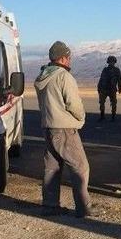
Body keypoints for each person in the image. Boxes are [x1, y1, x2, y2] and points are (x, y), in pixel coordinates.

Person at [34, 41, 91, 218]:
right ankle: (83, 208)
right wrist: (81, 117)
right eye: (69, 57)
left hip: (48, 126)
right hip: (64, 128)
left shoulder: (43, 75)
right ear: (64, 58)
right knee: (80, 167)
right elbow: (73, 103)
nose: (70, 60)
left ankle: (50, 206)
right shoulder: (63, 76)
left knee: (52, 168)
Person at [97, 55, 121, 122]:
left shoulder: (117, 70)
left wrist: (120, 88)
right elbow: (101, 79)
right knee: (102, 102)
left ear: (114, 62)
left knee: (114, 103)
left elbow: (120, 80)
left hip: (112, 89)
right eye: (110, 61)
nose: (111, 63)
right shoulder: (105, 70)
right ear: (108, 62)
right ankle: (102, 116)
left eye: (112, 61)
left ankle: (113, 117)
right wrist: (99, 88)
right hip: (104, 89)